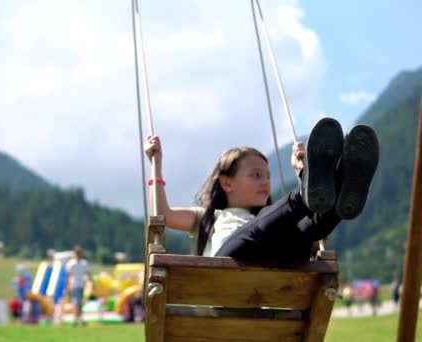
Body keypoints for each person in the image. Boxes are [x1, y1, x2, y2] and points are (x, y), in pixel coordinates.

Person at [144, 117, 379, 263]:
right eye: (256, 175)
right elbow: (162, 214)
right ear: (227, 183)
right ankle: (304, 196)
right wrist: (157, 164)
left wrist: (301, 171)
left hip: (273, 267)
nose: (265, 182)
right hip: (227, 270)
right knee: (255, 232)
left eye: (267, 176)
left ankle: (339, 195)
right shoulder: (207, 217)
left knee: (301, 232)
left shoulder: (270, 220)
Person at [66, 245, 91, 326]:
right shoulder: (71, 263)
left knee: (79, 303)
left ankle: (78, 319)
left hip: (81, 285)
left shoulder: (84, 263)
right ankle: (76, 319)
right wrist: (68, 286)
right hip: (74, 285)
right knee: (76, 303)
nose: (78, 254)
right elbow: (69, 275)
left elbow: (87, 274)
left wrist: (89, 283)